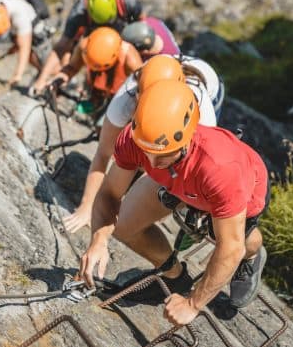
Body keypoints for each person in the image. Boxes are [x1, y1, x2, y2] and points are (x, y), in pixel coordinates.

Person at [80, 79, 269, 324]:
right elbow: (109, 194)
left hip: (240, 186)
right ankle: (174, 276)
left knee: (226, 238)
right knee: (124, 226)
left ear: (187, 138)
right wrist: (99, 240)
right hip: (179, 180)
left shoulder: (220, 168)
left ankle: (254, 254)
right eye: (147, 153)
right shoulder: (140, 139)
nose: (151, 162)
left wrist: (193, 303)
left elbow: (230, 248)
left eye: (162, 155)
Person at [64, 54, 223, 233]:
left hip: (210, 86)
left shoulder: (200, 105)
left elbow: (201, 162)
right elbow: (103, 153)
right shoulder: (126, 96)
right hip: (158, 76)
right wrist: (87, 207)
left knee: (178, 159)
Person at [29, 0, 143, 96]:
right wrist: (42, 80)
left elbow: (141, 28)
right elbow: (62, 47)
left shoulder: (127, 1)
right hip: (97, 48)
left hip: (125, 44)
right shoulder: (81, 10)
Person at [51, 27, 142, 119]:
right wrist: (57, 80)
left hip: (120, 96)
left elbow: (143, 89)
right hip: (96, 90)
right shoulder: (85, 46)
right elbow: (71, 68)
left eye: (100, 68)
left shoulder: (130, 59)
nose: (96, 70)